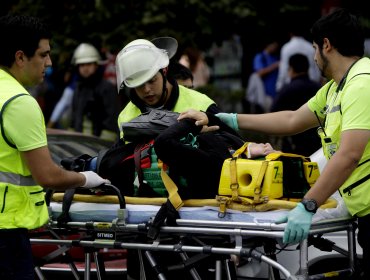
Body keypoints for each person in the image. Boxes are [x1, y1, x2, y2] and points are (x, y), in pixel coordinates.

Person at [179, 8, 370, 279]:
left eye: (315, 48)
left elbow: (349, 155)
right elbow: (292, 120)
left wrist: (309, 205)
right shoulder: (336, 89)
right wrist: (225, 119)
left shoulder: (361, 85)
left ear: (326, 45)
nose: (314, 58)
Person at [0, 14, 110, 280]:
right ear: (20, 57)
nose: (49, 63)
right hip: (7, 233)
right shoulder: (19, 102)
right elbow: (47, 175)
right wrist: (86, 178)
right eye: (43, 54)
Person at [114, 37, 222, 280]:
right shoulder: (126, 117)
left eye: (151, 81)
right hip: (147, 218)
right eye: (138, 85)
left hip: (197, 215)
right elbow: (126, 165)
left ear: (164, 71)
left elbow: (229, 154)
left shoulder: (200, 103)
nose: (147, 91)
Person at [49, 43, 120, 142]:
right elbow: (74, 119)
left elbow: (111, 121)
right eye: (82, 65)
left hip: (100, 146)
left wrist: (103, 146)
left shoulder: (107, 88)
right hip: (81, 145)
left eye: (89, 64)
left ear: (96, 64)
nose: (85, 68)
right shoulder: (78, 88)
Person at [270, 53, 322, 156]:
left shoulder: (286, 90)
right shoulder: (319, 88)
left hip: (293, 143)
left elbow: (273, 111)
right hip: (318, 142)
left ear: (291, 69)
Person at [275, 16, 322, 92]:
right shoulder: (310, 47)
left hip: (291, 86)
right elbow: (316, 67)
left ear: (290, 33)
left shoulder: (286, 48)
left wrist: (279, 86)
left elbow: (283, 69)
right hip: (311, 85)